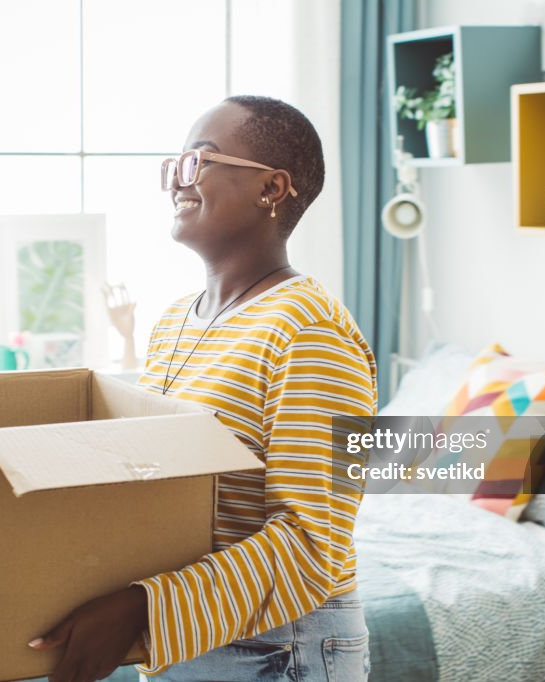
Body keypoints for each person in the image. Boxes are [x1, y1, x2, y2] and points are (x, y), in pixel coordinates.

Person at [30, 95, 377, 682]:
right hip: (192, 637)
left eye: (199, 162)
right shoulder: (173, 322)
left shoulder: (308, 330)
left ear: (271, 189)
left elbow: (312, 543)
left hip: (276, 648)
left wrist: (143, 607)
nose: (176, 182)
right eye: (174, 165)